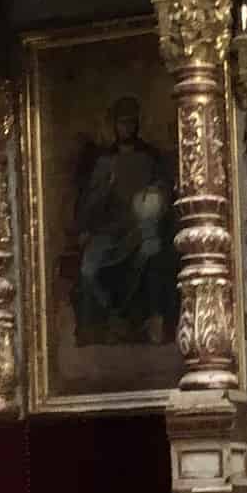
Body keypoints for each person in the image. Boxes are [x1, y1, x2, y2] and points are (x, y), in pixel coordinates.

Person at [69, 94, 177, 345]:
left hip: (141, 230)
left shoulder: (151, 159)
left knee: (152, 254)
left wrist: (155, 196)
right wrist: (102, 194)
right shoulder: (104, 162)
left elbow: (163, 193)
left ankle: (152, 322)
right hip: (108, 231)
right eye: (122, 122)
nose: (127, 127)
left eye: (131, 122)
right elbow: (88, 204)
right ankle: (102, 324)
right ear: (114, 125)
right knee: (88, 270)